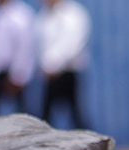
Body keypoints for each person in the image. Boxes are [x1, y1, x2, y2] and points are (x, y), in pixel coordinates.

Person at [0, 0, 37, 120]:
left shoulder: (21, 15)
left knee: (24, 117)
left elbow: (25, 48)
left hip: (15, 73)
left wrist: (19, 75)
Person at [37, 0, 91, 130]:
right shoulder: (43, 15)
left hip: (68, 72)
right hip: (49, 75)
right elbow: (40, 44)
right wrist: (45, 66)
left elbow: (72, 44)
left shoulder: (73, 14)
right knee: (45, 118)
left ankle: (89, 141)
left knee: (77, 115)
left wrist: (54, 65)